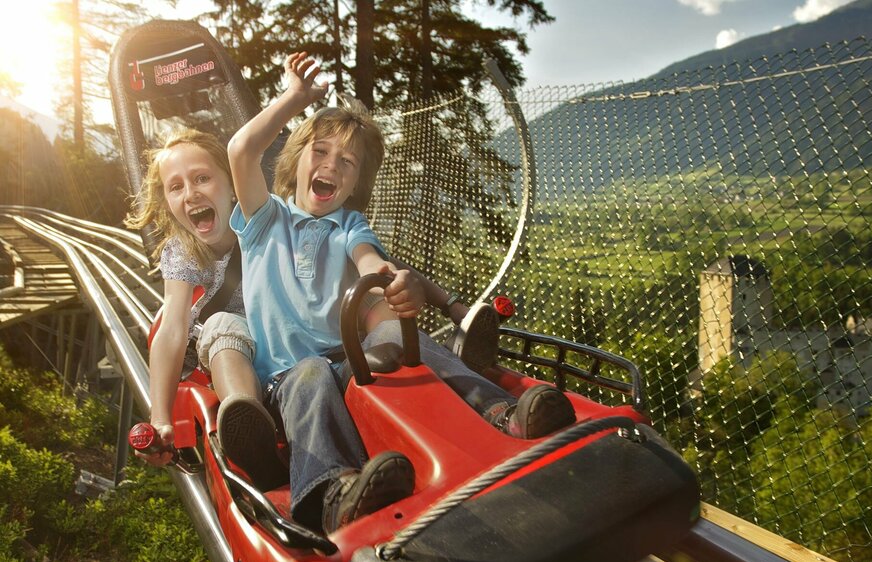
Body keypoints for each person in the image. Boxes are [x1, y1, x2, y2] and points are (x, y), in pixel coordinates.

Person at [228, 52, 575, 534]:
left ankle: (499, 411)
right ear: (296, 158)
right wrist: (295, 98)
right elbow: (242, 151)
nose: (332, 164)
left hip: (344, 356)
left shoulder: (349, 223)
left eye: (346, 161)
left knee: (394, 331)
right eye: (321, 151)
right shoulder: (266, 219)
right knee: (310, 372)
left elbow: (370, 260)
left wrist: (395, 282)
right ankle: (330, 492)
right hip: (287, 379)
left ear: (354, 184)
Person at [125, 130, 287, 490]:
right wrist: (160, 417)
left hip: (279, 333)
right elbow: (173, 326)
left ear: (232, 184)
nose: (191, 193)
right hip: (226, 343)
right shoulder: (183, 250)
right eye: (176, 187)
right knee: (220, 324)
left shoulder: (262, 220)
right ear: (168, 202)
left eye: (202, 178)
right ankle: (247, 427)